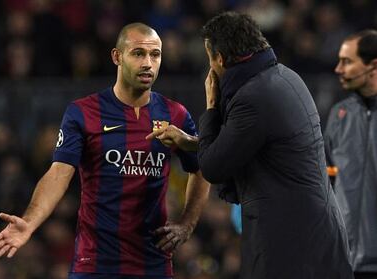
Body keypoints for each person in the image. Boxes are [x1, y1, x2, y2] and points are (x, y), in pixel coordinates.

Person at [0, 22, 210, 279]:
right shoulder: (83, 112)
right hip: (95, 263)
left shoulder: (175, 114)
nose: (148, 63)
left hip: (153, 263)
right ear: (117, 56)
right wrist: (30, 223)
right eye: (138, 53)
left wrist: (187, 224)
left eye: (155, 54)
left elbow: (201, 167)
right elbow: (59, 173)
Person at [148, 11, 354, 279]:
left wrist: (211, 107)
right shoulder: (283, 77)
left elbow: (212, 167)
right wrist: (188, 143)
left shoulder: (253, 98)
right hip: (316, 239)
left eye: (210, 58)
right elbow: (241, 144)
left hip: (290, 248)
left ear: (220, 59)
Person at [325, 29, 377, 279]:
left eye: (347, 61)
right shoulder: (338, 115)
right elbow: (327, 178)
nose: (338, 69)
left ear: (372, 66)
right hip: (344, 261)